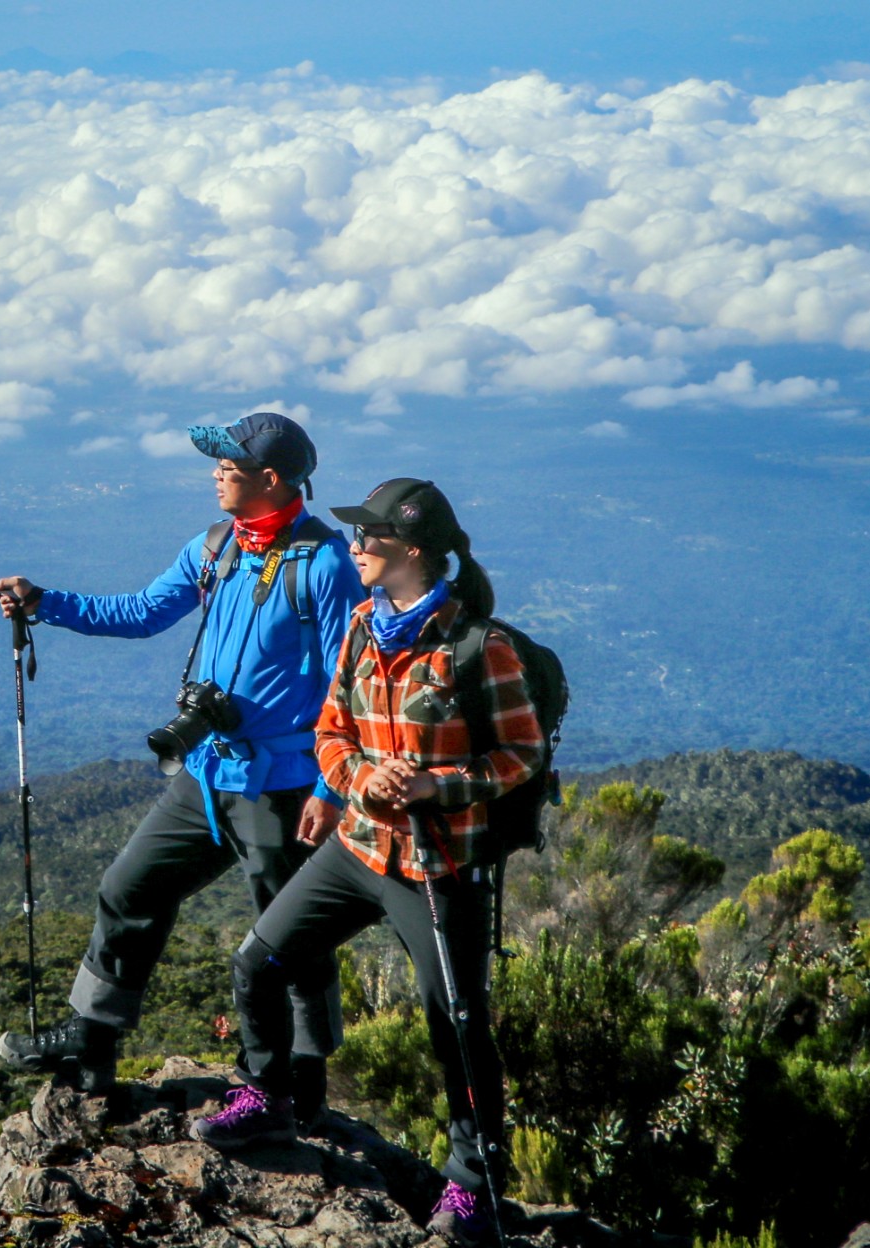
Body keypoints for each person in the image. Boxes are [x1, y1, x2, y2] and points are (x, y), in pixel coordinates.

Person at [189, 477, 544, 1245]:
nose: (356, 546)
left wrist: (433, 785)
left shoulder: (479, 647)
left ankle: (475, 1185)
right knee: (259, 960)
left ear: (413, 550)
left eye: (370, 537)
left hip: (437, 866)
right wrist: (359, 779)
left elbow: (522, 752)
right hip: (357, 849)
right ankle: (270, 1093)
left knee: (457, 1022)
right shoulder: (360, 623)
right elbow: (331, 732)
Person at [0, 412, 360, 1123]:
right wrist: (46, 604)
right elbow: (140, 611)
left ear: (270, 479)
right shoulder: (216, 546)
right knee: (130, 887)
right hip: (205, 774)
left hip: (283, 788)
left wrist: (329, 788)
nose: (215, 473)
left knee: (289, 939)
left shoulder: (326, 566)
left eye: (228, 464)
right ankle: (91, 1043)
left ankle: (297, 1076)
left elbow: (355, 685)